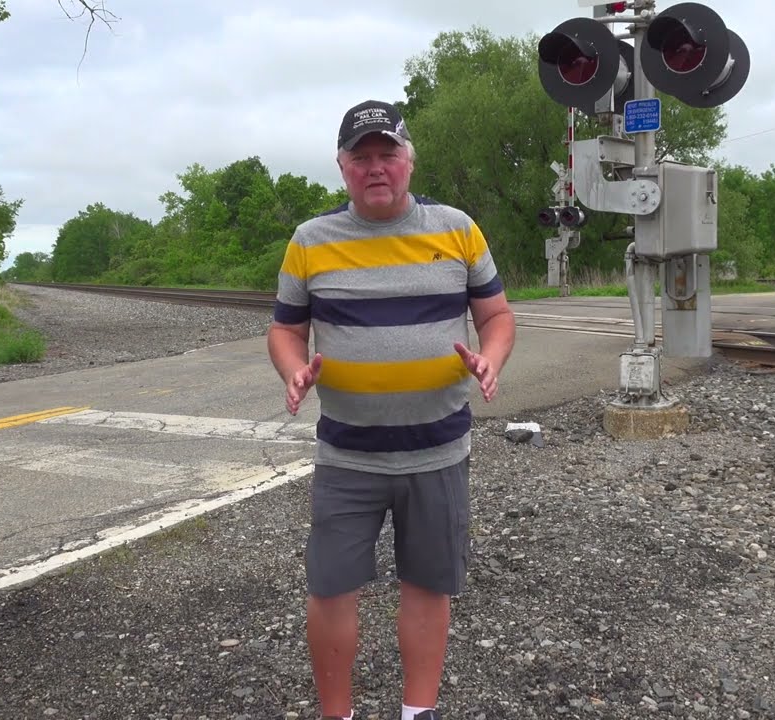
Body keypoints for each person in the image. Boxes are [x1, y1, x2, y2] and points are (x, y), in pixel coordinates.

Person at [266, 99, 516, 720]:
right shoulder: (310, 242)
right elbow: (285, 330)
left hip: (438, 450)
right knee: (329, 589)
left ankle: (418, 712)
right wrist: (292, 367)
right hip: (348, 454)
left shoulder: (457, 228)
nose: (376, 168)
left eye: (388, 155)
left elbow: (497, 316)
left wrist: (492, 357)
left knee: (429, 588)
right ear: (342, 166)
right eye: (361, 157)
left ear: (409, 161)